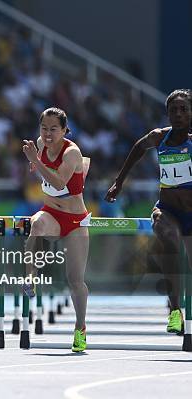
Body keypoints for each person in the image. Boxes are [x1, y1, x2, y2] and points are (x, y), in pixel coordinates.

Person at [105, 89, 192, 335]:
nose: (178, 114)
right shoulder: (158, 138)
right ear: (167, 113)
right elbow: (137, 148)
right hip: (168, 209)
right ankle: (175, 310)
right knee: (169, 237)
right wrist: (119, 182)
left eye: (184, 109)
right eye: (173, 110)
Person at [21, 107, 91, 352]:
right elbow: (42, 169)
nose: (48, 134)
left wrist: (35, 162)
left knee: (75, 280)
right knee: (36, 223)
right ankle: (31, 276)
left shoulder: (71, 152)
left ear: (64, 130)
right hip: (51, 213)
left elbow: (59, 181)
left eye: (53, 129)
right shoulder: (40, 143)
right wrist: (36, 163)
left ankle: (80, 327)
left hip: (75, 220)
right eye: (44, 128)